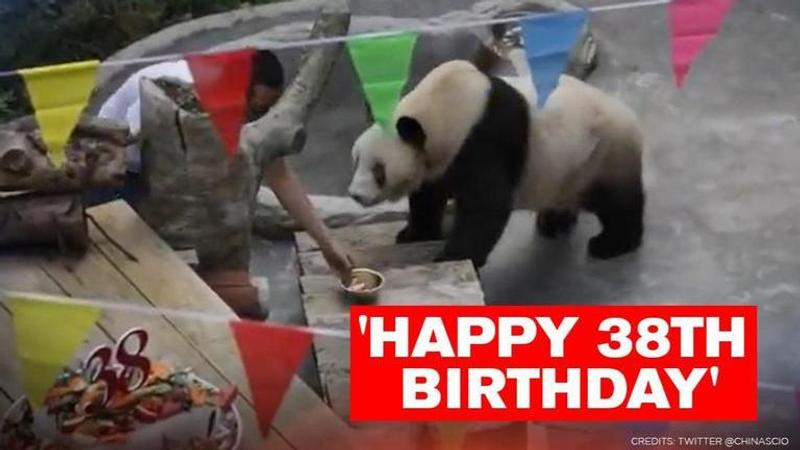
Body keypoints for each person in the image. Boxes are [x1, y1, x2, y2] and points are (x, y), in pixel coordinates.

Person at [96, 50, 353, 283]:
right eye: (256, 109)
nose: (256, 118)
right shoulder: (181, 90)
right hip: (117, 169)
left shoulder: (232, 100)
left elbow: (280, 175)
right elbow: (129, 135)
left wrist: (326, 243)